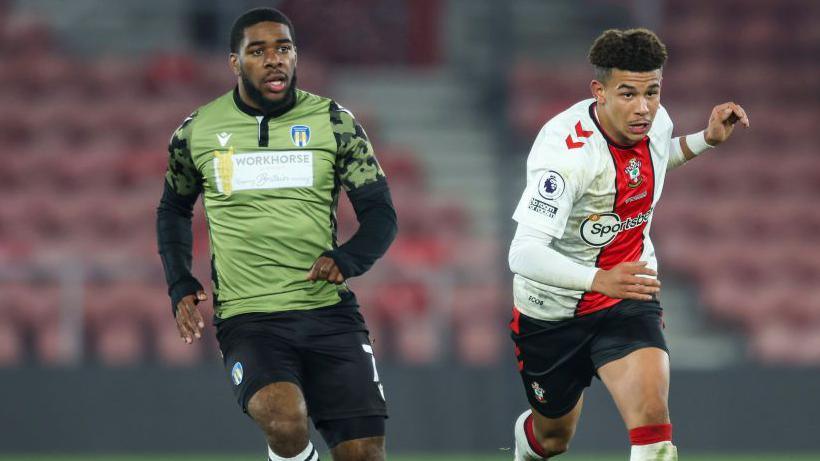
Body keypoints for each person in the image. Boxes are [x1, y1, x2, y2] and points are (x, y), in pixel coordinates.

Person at [156, 8, 397, 461]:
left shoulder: (334, 122)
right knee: (285, 419)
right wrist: (179, 282)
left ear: (295, 55)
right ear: (235, 63)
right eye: (258, 51)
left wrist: (347, 260)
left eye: (283, 49)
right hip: (250, 319)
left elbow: (382, 214)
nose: (274, 60)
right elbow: (173, 207)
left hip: (328, 314)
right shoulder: (197, 131)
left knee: (365, 455)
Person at [508, 28, 749, 461]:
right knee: (553, 439)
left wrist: (704, 141)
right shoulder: (565, 155)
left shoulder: (657, 123)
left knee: (654, 435)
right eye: (628, 94)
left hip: (627, 298)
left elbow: (650, 165)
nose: (643, 108)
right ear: (598, 92)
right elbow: (521, 253)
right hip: (553, 311)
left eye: (652, 92)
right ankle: (528, 444)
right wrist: (599, 278)